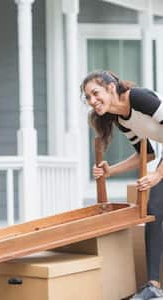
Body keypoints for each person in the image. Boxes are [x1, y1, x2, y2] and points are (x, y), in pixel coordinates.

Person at [81, 70, 163, 300]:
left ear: (110, 87)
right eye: (87, 97)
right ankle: (153, 286)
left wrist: (158, 175)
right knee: (154, 209)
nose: (92, 101)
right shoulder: (121, 120)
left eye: (95, 93)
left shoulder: (138, 98)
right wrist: (111, 170)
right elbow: (145, 155)